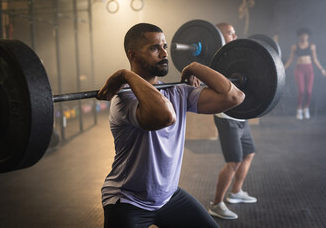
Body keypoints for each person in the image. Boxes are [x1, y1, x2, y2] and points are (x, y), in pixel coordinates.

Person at [97, 23, 245, 228]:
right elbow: (164, 116)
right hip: (128, 201)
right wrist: (127, 76)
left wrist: (195, 67)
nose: (164, 53)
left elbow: (234, 96)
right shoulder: (124, 98)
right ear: (133, 55)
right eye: (154, 48)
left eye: (164, 46)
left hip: (168, 196)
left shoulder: (178, 91)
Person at [208, 23, 257, 220]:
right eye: (230, 32)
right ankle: (217, 204)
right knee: (233, 161)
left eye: (235, 32)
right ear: (219, 36)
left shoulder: (237, 57)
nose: (235, 35)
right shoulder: (216, 60)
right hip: (227, 117)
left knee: (249, 153)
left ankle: (236, 192)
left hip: (241, 115)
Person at [284, 27, 326, 120]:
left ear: (308, 36)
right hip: (299, 69)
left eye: (306, 35)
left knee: (309, 91)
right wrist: (283, 68)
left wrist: (322, 69)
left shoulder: (312, 46)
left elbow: (315, 59)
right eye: (302, 35)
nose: (304, 36)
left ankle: (306, 108)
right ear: (300, 36)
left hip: (309, 69)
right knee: (301, 91)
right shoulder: (295, 46)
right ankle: (299, 110)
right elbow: (291, 59)